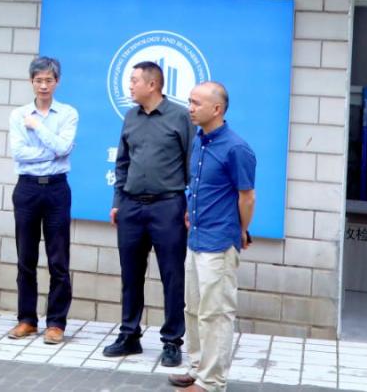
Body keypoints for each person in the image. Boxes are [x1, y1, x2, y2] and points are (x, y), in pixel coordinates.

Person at [103, 61, 192, 367]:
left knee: (172, 275)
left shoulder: (180, 116)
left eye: (135, 81)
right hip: (131, 206)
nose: (130, 86)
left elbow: (192, 163)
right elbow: (122, 163)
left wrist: (189, 206)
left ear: (152, 85)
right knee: (130, 274)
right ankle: (129, 335)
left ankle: (172, 341)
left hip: (168, 206)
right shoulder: (131, 116)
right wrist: (118, 200)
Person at [169, 82, 256, 392]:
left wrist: (241, 230)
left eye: (196, 103)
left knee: (216, 314)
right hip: (196, 239)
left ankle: (212, 382)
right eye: (190, 101)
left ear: (217, 109)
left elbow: (247, 197)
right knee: (193, 309)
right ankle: (197, 369)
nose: (190, 108)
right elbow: (199, 185)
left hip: (219, 243)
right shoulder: (200, 141)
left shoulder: (236, 148)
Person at [6, 56, 78, 345]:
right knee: (26, 257)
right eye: (39, 80)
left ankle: (56, 323)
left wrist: (37, 127)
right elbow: (19, 153)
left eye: (49, 80)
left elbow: (65, 147)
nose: (44, 85)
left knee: (58, 259)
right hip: (27, 189)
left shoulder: (68, 113)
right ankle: (27, 319)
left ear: (57, 82)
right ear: (31, 82)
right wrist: (52, 151)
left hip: (57, 189)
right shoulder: (18, 114)